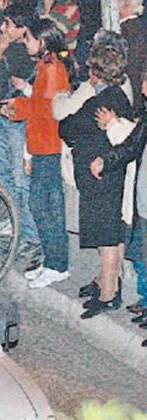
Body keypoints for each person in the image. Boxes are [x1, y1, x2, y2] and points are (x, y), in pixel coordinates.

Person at [56, 39, 136, 318]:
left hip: (101, 177)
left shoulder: (100, 103)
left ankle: (108, 293)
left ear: (97, 73)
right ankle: (104, 280)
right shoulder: (118, 97)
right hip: (106, 176)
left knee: (106, 236)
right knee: (109, 231)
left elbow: (67, 128)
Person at [3, 19, 72, 288]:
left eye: (29, 38)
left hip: (50, 146)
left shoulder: (52, 68)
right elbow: (39, 103)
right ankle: (52, 260)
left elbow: (48, 110)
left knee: (46, 207)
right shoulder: (45, 66)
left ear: (42, 42)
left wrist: (17, 106)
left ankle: (58, 265)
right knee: (42, 205)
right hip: (41, 144)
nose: (25, 42)